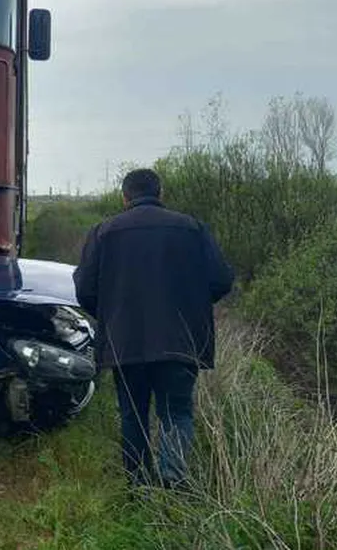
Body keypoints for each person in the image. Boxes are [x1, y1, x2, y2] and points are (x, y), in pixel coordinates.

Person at [72, 168, 233, 489]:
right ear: (161, 194)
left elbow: (85, 290)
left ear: (125, 197)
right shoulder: (193, 229)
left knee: (133, 414)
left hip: (125, 342)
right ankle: (172, 479)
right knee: (176, 412)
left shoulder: (103, 232)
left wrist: (113, 315)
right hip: (180, 341)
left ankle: (139, 485)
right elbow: (221, 280)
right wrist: (193, 307)